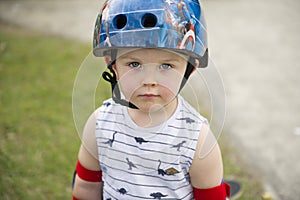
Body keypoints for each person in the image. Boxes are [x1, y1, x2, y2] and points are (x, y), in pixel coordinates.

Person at [72, 0, 230, 199]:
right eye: (134, 64)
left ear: (189, 69)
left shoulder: (197, 140)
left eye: (166, 66)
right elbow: (86, 187)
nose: (149, 81)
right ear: (113, 65)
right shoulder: (99, 124)